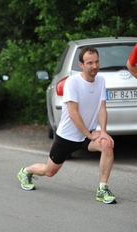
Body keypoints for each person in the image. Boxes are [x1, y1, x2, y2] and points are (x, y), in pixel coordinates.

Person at [17, 46, 116, 204]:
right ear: (81, 65)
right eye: (90, 63)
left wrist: (103, 131)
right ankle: (26, 171)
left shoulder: (101, 81)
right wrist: (90, 135)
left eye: (97, 62)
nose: (95, 66)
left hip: (87, 134)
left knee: (107, 144)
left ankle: (102, 189)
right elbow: (73, 114)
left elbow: (102, 108)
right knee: (49, 172)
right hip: (67, 136)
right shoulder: (72, 82)